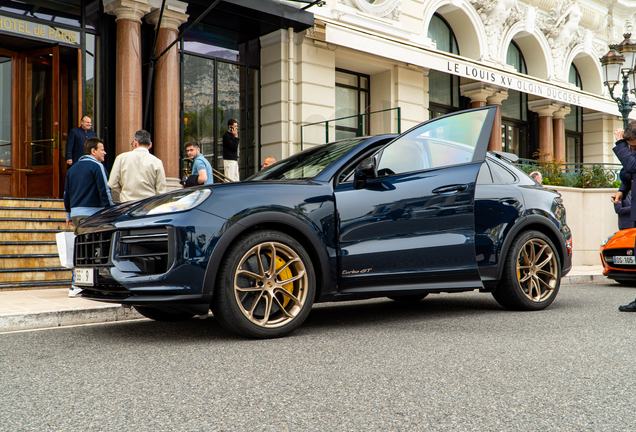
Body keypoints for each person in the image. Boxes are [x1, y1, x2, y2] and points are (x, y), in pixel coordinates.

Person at [609, 123, 636, 312]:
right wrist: (622, 190)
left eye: (633, 145)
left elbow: (631, 164)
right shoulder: (632, 150)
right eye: (630, 146)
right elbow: (628, 173)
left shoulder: (629, 151)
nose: (631, 148)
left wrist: (620, 143)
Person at [108, 130, 166, 202]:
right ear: (150, 145)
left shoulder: (121, 158)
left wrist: (124, 191)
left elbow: (112, 183)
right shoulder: (157, 162)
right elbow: (161, 190)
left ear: (135, 143)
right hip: (148, 204)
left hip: (127, 203)